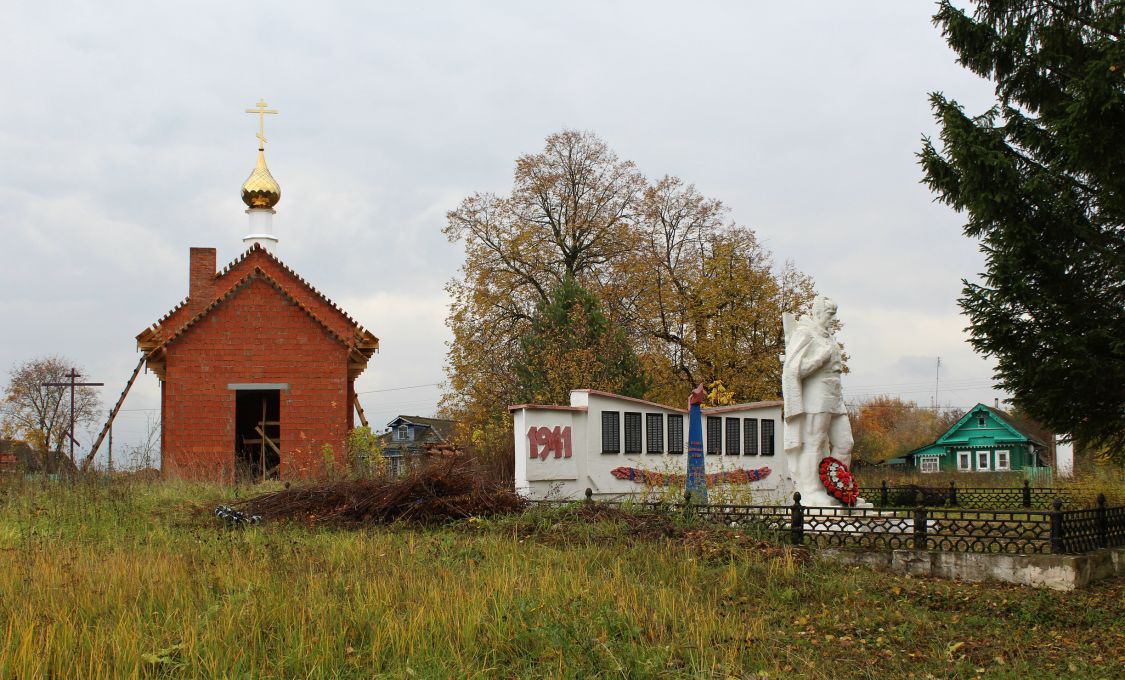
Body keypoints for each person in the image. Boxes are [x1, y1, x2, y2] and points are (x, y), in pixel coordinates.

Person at [782, 297, 853, 506]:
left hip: (835, 395)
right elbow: (793, 369)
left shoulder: (828, 336)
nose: (832, 319)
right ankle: (811, 492)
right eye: (830, 314)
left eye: (834, 315)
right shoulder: (805, 332)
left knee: (845, 443)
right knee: (814, 442)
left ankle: (839, 488)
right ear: (818, 312)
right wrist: (819, 359)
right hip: (816, 395)